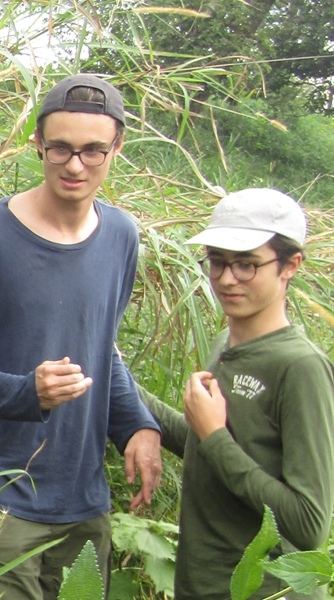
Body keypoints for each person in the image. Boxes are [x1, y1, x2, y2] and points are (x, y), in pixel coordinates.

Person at [0, 73, 163, 599]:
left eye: (93, 151)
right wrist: (26, 393)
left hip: (84, 498)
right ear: (37, 142)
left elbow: (100, 347)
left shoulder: (121, 236)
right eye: (59, 148)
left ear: (117, 147)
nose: (75, 165)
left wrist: (138, 426)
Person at [139, 188, 333, 600]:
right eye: (218, 263)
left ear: (290, 266)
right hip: (200, 585)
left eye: (246, 265)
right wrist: (112, 376)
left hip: (259, 591)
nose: (227, 279)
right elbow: (203, 448)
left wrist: (215, 437)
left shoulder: (300, 367)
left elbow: (308, 524)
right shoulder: (226, 342)